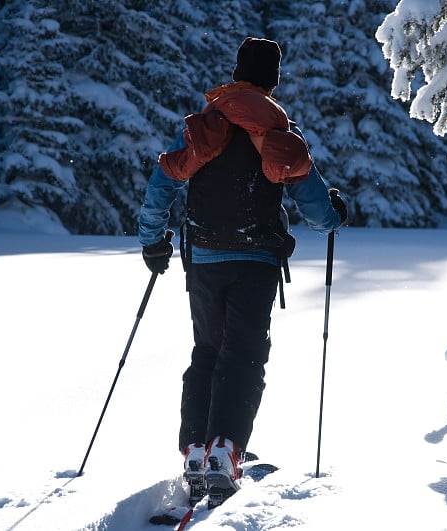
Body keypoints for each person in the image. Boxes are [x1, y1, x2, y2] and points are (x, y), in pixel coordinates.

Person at [137, 37, 347, 507]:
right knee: (244, 356)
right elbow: (314, 207)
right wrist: (335, 214)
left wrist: (153, 238)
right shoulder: (277, 129)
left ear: (236, 74)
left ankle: (196, 450)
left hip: (205, 258)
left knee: (207, 351)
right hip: (255, 262)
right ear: (273, 79)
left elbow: (164, 180)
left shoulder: (206, 124)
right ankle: (226, 452)